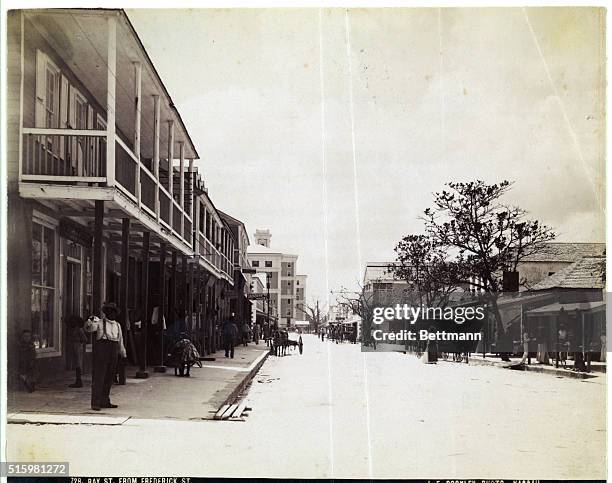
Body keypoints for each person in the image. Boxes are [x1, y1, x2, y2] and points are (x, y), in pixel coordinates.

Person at [85, 302, 127, 411]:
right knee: (99, 377)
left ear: (115, 313)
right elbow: (89, 329)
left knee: (109, 377)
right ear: (105, 313)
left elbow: (120, 341)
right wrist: (90, 321)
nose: (111, 314)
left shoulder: (118, 325)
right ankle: (95, 403)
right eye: (108, 311)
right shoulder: (99, 323)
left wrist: (123, 353)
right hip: (102, 352)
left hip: (113, 352)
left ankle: (105, 401)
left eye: (113, 312)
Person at [67, 315, 87, 388]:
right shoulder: (74, 329)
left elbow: (85, 339)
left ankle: (79, 381)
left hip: (78, 347)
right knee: (76, 363)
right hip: (74, 346)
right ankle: (77, 380)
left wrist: (79, 342)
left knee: (78, 363)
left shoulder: (79, 330)